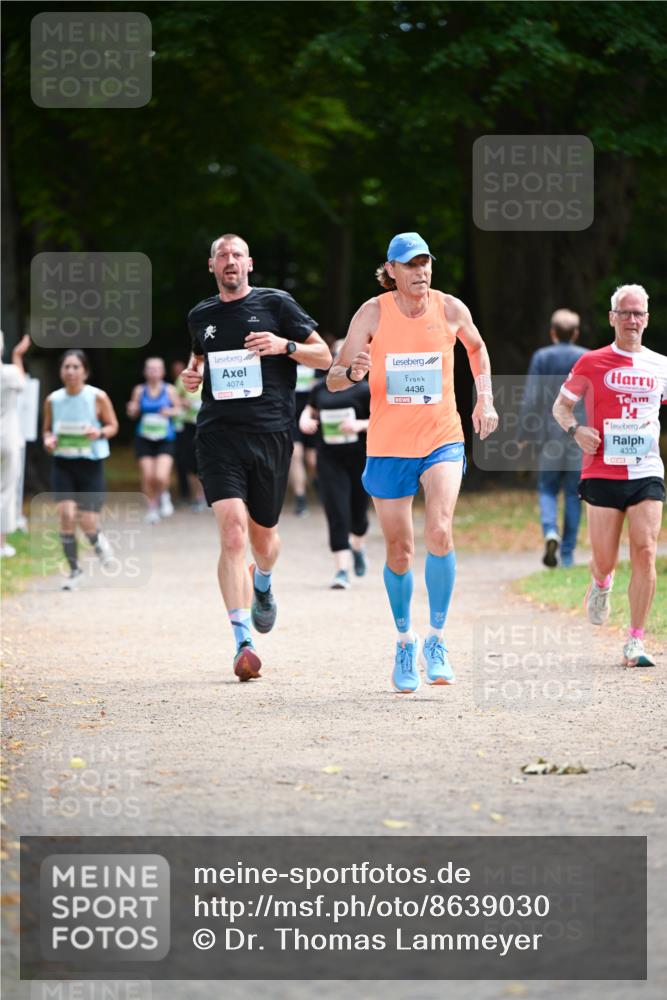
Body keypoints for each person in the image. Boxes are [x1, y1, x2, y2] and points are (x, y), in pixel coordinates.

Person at [327, 232, 498, 693]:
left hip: (442, 437)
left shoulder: (450, 308)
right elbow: (334, 378)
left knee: (440, 529)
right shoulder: (371, 313)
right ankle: (405, 641)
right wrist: (353, 371)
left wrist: (484, 400)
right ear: (392, 270)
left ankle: (437, 641)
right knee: (399, 549)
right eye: (411, 264)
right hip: (387, 444)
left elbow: (477, 349)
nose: (421, 271)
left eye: (425, 263)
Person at [182, 233, 331, 681]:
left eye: (237, 255)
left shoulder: (277, 304)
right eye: (222, 256)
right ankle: (242, 641)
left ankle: (262, 581)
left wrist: (283, 346)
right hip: (217, 435)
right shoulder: (200, 315)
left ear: (250, 263)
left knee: (263, 540)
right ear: (212, 266)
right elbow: (197, 359)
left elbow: (324, 357)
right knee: (232, 534)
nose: (230, 262)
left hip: (269, 435)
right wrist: (193, 374)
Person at [553, 283, 666, 668]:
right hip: (601, 469)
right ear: (612, 318)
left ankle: (635, 640)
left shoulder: (660, 366)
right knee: (604, 560)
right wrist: (576, 431)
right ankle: (601, 583)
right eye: (625, 313)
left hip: (647, 471)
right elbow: (561, 408)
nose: (632, 320)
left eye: (638, 314)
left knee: (646, 551)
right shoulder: (591, 363)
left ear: (647, 320)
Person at [42, 349, 119, 589]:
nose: (71, 371)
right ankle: (75, 571)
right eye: (67, 367)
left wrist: (99, 433)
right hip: (63, 464)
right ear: (61, 371)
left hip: (90, 464)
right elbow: (46, 430)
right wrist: (48, 440)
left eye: (76, 367)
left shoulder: (97, 397)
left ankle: (98, 541)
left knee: (87, 522)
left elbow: (113, 426)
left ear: (85, 371)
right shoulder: (53, 400)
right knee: (66, 515)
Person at [518, 309, 587, 568]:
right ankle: (567, 556)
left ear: (553, 333)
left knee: (547, 488)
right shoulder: (585, 357)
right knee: (573, 494)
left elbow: (531, 398)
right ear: (576, 333)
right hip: (578, 436)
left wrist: (524, 435)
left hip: (548, 436)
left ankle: (550, 531)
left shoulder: (542, 357)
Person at [299, 339, 371, 590]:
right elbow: (309, 410)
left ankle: (358, 548)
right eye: (336, 353)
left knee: (358, 516)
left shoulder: (365, 390)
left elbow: (382, 422)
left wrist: (360, 425)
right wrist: (305, 420)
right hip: (329, 458)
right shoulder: (320, 387)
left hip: (360, 457)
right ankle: (341, 570)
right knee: (336, 511)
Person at [126, 358, 180, 524]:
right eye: (150, 369)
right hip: (144, 438)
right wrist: (132, 409)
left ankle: (164, 494)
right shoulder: (139, 390)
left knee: (161, 476)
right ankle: (152, 508)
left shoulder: (169, 390)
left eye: (157, 369)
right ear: (145, 372)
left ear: (163, 372)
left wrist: (169, 412)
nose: (153, 372)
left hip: (165, 437)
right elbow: (132, 412)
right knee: (148, 476)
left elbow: (178, 409)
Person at [0, 332, 30, 557]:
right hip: (8, 437)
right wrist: (18, 354)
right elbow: (23, 383)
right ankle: (1, 544)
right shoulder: (9, 372)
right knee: (5, 489)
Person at [173, 362, 206, 512]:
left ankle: (212, 497)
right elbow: (174, 398)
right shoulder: (184, 377)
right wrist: (183, 402)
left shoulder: (215, 373)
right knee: (191, 462)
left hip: (210, 424)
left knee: (211, 461)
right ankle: (198, 497)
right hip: (190, 425)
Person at [289, 362, 319, 516]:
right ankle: (300, 498)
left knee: (312, 460)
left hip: (310, 417)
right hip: (292, 417)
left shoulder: (317, 362)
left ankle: (315, 481)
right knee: (296, 455)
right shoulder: (286, 361)